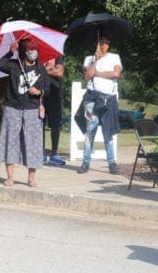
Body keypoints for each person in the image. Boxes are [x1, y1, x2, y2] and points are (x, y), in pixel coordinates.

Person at [0, 39, 50, 187]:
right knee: (10, 141)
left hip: (32, 109)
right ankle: (10, 177)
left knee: (33, 143)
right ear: (24, 52)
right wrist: (10, 52)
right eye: (30, 50)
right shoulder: (14, 65)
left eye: (35, 49)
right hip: (13, 108)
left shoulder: (41, 68)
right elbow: (0, 65)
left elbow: (48, 88)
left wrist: (39, 91)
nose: (33, 53)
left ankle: (31, 178)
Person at [75, 36, 123, 175]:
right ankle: (85, 162)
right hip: (92, 98)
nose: (103, 45)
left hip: (109, 99)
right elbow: (87, 76)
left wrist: (98, 73)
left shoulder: (115, 57)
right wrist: (96, 60)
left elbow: (116, 73)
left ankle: (112, 163)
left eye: (106, 43)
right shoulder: (89, 59)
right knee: (90, 130)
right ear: (96, 44)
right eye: (101, 43)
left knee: (108, 132)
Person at [42, 54, 66, 165]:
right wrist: (51, 69)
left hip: (55, 93)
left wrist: (43, 70)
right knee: (39, 124)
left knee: (55, 125)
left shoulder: (57, 55)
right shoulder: (38, 54)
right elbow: (33, 72)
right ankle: (40, 153)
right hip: (40, 94)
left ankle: (54, 153)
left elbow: (60, 72)